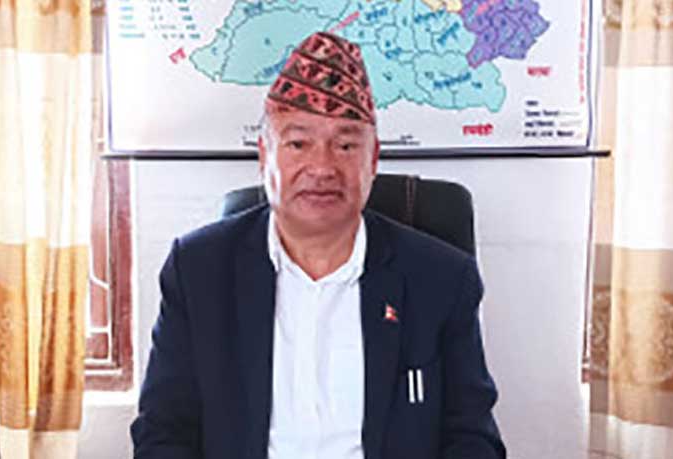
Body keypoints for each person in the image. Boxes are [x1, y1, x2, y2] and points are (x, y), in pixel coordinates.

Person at [131, 31, 505, 459]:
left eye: (345, 145)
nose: (323, 167)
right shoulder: (199, 269)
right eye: (298, 143)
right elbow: (163, 432)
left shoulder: (440, 278)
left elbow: (472, 437)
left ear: (373, 159)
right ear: (264, 155)